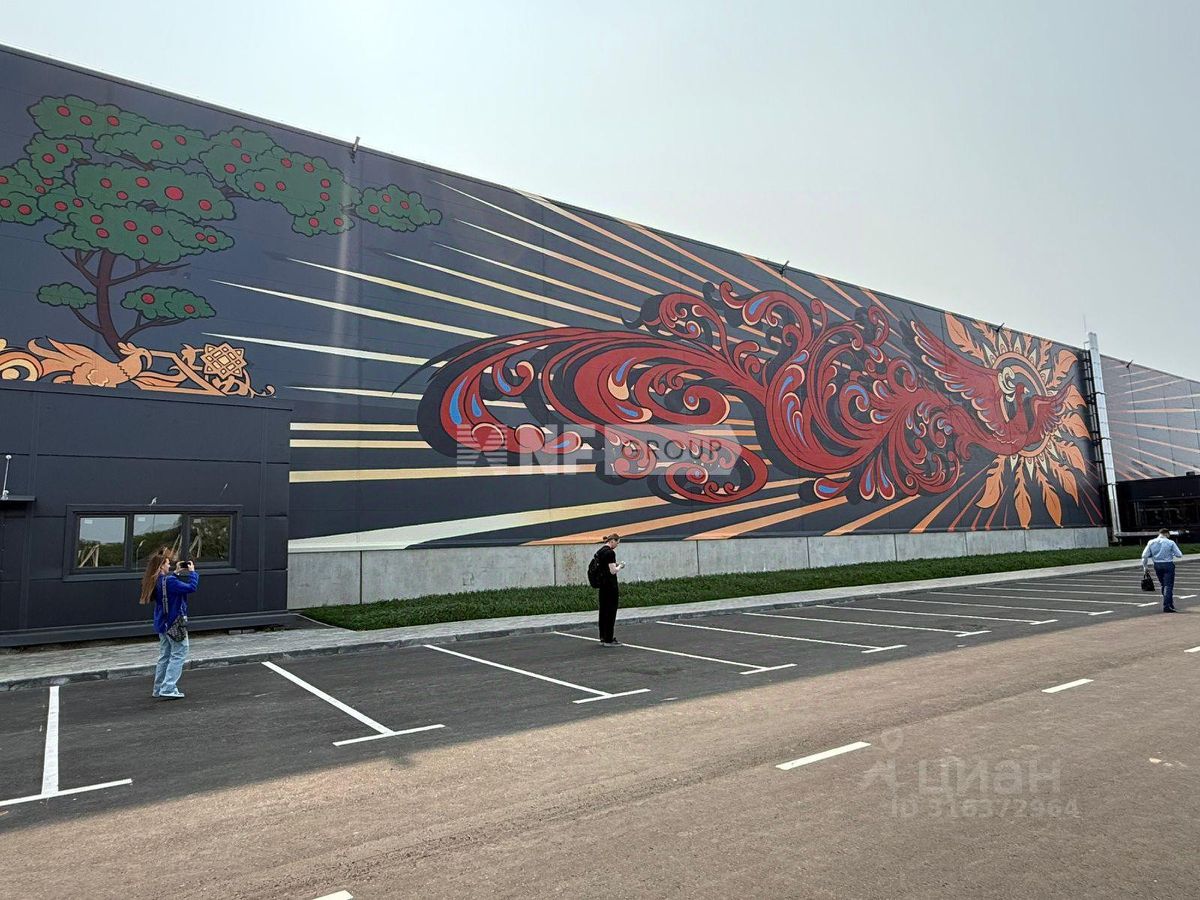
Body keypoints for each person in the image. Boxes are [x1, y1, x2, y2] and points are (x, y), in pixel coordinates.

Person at [139, 548, 200, 698]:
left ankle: (158, 688)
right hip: (175, 622)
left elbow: (168, 587)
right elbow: (191, 587)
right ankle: (168, 687)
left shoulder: (155, 581)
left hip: (162, 623)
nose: (169, 566)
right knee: (179, 652)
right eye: (167, 564)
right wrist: (192, 572)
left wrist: (177, 573)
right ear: (161, 567)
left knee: (165, 655)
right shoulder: (170, 581)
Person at [1141, 528, 1184, 613]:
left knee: (1163, 585)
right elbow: (1179, 555)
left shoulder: (1151, 542)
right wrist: (1171, 553)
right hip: (1168, 564)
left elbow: (1144, 555)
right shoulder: (1170, 542)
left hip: (1157, 564)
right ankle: (1167, 606)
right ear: (1166, 533)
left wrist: (1145, 567)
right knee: (1168, 585)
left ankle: (1170, 604)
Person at [594, 533, 626, 645]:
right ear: (612, 541)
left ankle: (603, 637)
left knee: (603, 611)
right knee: (611, 611)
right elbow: (612, 571)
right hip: (610, 586)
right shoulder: (610, 553)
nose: (617, 545)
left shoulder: (600, 551)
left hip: (602, 585)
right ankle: (609, 638)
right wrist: (620, 566)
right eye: (617, 543)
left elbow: (604, 566)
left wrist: (614, 564)